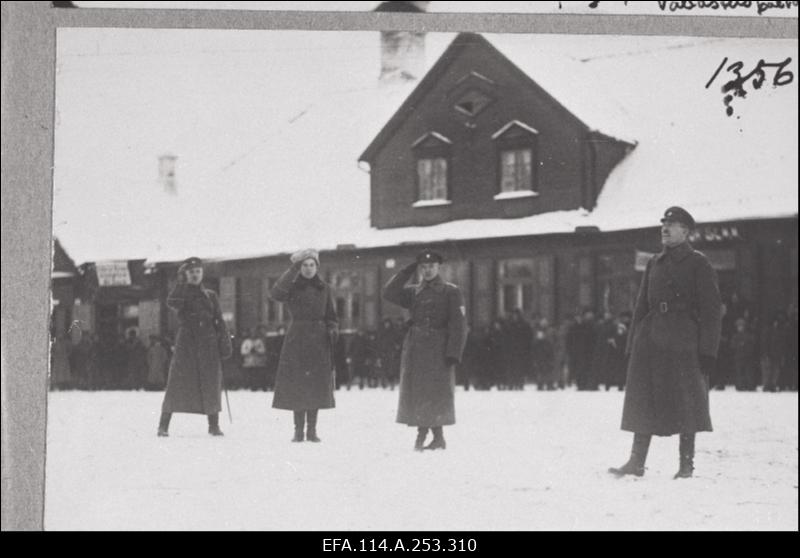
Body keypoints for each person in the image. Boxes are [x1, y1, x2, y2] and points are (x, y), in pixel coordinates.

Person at [609, 207, 722, 479]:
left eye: (672, 224)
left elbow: (712, 309)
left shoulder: (699, 263)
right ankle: (636, 461)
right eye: (663, 224)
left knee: (688, 400)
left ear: (686, 231)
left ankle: (686, 465)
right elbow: (641, 306)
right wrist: (632, 343)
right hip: (651, 339)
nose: (665, 229)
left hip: (684, 341)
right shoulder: (653, 263)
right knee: (643, 398)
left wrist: (708, 350)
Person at [382, 249, 468, 451]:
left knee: (436, 392)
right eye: (423, 267)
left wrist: (453, 352)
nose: (427, 271)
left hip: (439, 348)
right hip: (416, 348)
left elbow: (459, 325)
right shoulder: (413, 292)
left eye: (431, 267)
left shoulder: (451, 291)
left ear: (438, 267)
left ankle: (434, 437)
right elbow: (388, 292)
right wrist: (408, 269)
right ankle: (426, 435)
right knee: (419, 391)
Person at [270, 249, 338, 442]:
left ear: (317, 267)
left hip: (319, 340)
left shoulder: (324, 288)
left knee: (315, 386)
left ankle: (312, 430)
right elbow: (275, 293)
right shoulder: (292, 287)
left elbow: (331, 315)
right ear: (299, 268)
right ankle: (298, 430)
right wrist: (292, 269)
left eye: (311, 265)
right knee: (298, 385)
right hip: (297, 339)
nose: (308, 269)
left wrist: (333, 329)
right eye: (304, 265)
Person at [157, 257, 229, 437]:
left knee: (211, 382)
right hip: (187, 343)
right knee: (176, 382)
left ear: (202, 273)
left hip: (209, 342)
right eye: (191, 272)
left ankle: (213, 425)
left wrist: (225, 341)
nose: (195, 275)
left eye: (198, 271)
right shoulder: (181, 292)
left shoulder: (211, 295)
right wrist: (180, 282)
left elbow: (219, 320)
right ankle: (163, 425)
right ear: (185, 275)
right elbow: (172, 302)